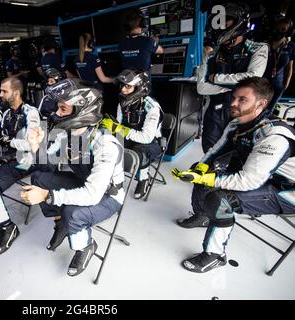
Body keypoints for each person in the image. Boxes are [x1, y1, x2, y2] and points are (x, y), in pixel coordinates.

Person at [172, 77, 295, 273]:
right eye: (234, 97)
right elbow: (215, 151)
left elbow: (249, 180)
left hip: (287, 190)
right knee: (200, 169)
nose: (233, 103)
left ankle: (215, 255)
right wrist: (201, 170)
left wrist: (207, 179)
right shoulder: (236, 123)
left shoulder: (274, 136)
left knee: (221, 200)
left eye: (242, 99)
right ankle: (203, 215)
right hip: (262, 176)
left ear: (261, 104)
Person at [21, 79, 125, 277]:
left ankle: (85, 246)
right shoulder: (66, 134)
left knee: (73, 213)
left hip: (108, 196)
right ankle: (61, 225)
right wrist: (36, 147)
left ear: (81, 110)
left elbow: (93, 195)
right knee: (39, 177)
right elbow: (47, 166)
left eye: (62, 109)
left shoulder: (106, 145)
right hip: (85, 182)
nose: (56, 114)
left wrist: (48, 196)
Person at [0, 77, 41, 255]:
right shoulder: (4, 113)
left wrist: (7, 140)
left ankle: (8, 227)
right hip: (6, 157)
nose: (1, 94)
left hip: (26, 161)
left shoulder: (31, 112)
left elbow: (31, 145)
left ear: (16, 93)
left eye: (5, 91)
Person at [197, 2, 268, 153]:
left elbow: (252, 80)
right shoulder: (211, 54)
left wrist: (215, 78)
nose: (221, 26)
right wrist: (236, 85)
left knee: (240, 155)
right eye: (218, 22)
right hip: (216, 110)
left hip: (245, 111)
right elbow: (201, 87)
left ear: (238, 22)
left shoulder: (258, 48)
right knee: (209, 152)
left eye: (225, 21)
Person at [100, 69, 163, 199]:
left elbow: (146, 137)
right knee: (106, 145)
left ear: (140, 87)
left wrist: (118, 129)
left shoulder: (152, 107)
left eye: (128, 86)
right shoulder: (122, 103)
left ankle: (144, 178)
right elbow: (118, 125)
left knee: (139, 152)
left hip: (152, 142)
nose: (123, 89)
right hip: (130, 137)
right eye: (122, 85)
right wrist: (108, 128)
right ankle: (115, 180)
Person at [263, 16, 294, 114]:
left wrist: (286, 83)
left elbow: (290, 67)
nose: (279, 31)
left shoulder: (291, 46)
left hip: (278, 84)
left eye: (283, 29)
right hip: (261, 82)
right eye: (278, 28)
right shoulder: (265, 43)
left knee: (268, 111)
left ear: (288, 31)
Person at [118, 8, 163, 73]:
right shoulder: (148, 41)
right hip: (143, 81)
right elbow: (161, 51)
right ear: (142, 23)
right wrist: (155, 41)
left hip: (128, 80)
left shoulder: (121, 43)